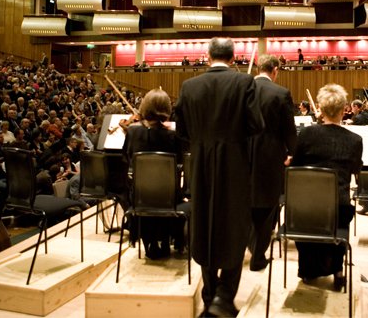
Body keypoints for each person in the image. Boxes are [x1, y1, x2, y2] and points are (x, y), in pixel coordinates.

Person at [174, 37, 264, 318]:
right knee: (235, 227)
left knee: (204, 225)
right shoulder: (244, 83)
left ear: (207, 55)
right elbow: (256, 125)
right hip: (235, 165)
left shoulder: (189, 86)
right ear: (233, 58)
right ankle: (224, 297)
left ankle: (210, 295)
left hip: (200, 165)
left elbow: (181, 130)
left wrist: (204, 141)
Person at [290, 84, 363, 289]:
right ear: (343, 110)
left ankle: (309, 270)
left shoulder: (306, 135)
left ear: (320, 110)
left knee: (309, 219)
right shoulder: (355, 140)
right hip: (339, 208)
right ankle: (337, 269)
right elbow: (355, 168)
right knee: (339, 221)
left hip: (307, 209)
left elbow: (296, 166)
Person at [247, 55, 297, 271]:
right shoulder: (281, 93)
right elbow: (289, 130)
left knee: (246, 200)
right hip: (271, 155)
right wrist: (293, 153)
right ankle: (258, 255)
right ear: (275, 70)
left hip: (244, 154)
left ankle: (250, 244)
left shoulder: (243, 89)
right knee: (268, 206)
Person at [122, 88, 182, 259]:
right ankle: (165, 240)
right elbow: (179, 163)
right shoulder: (173, 135)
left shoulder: (133, 132)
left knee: (140, 189)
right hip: (168, 197)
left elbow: (126, 158)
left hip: (141, 197)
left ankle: (149, 242)